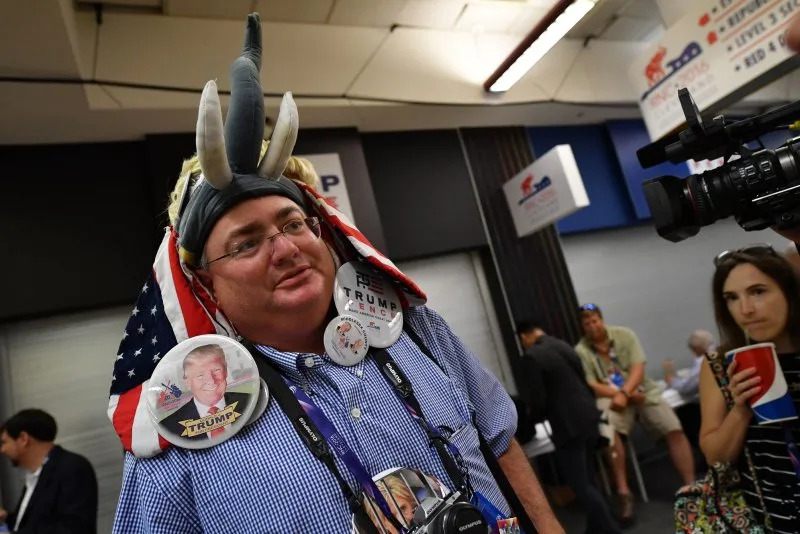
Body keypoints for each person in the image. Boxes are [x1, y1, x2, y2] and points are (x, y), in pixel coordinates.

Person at [110, 13, 563, 533]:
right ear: (206, 282)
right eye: (247, 242)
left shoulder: (418, 332)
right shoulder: (180, 426)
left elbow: (501, 442)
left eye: (293, 223)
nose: (285, 249)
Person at [699, 245, 800, 531]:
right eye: (732, 298)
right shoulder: (720, 366)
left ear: (788, 292)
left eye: (758, 291)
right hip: (770, 518)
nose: (745, 310)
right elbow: (715, 457)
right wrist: (741, 408)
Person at [574, 304, 695, 525]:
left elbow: (638, 367)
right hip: (612, 396)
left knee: (673, 427)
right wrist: (621, 395)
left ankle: (692, 486)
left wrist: (627, 392)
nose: (592, 326)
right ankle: (624, 493)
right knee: (608, 432)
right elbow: (591, 384)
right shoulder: (581, 350)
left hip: (640, 390)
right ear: (582, 327)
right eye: (587, 323)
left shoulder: (624, 335)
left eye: (595, 321)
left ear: (602, 319)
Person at [516, 321, 621, 534]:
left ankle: (611, 530)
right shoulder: (562, 345)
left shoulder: (533, 356)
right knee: (589, 477)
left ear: (524, 337)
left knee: (580, 484)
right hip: (589, 416)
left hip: (567, 425)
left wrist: (530, 421)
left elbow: (538, 400)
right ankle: (596, 527)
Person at [0, 409, 98, 534]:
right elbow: (34, 523)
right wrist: (7, 517)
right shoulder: (35, 476)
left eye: (5, 442)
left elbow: (72, 528)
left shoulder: (73, 468)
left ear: (23, 439)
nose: (2, 450)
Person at [159, 344, 251, 440]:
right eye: (200, 375)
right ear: (187, 383)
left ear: (226, 371)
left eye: (216, 370)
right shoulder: (168, 427)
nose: (211, 380)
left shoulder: (250, 400)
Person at [662, 330, 716, 398]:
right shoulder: (719, 350)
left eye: (693, 349)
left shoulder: (702, 361)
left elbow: (687, 388)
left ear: (697, 348)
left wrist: (672, 381)